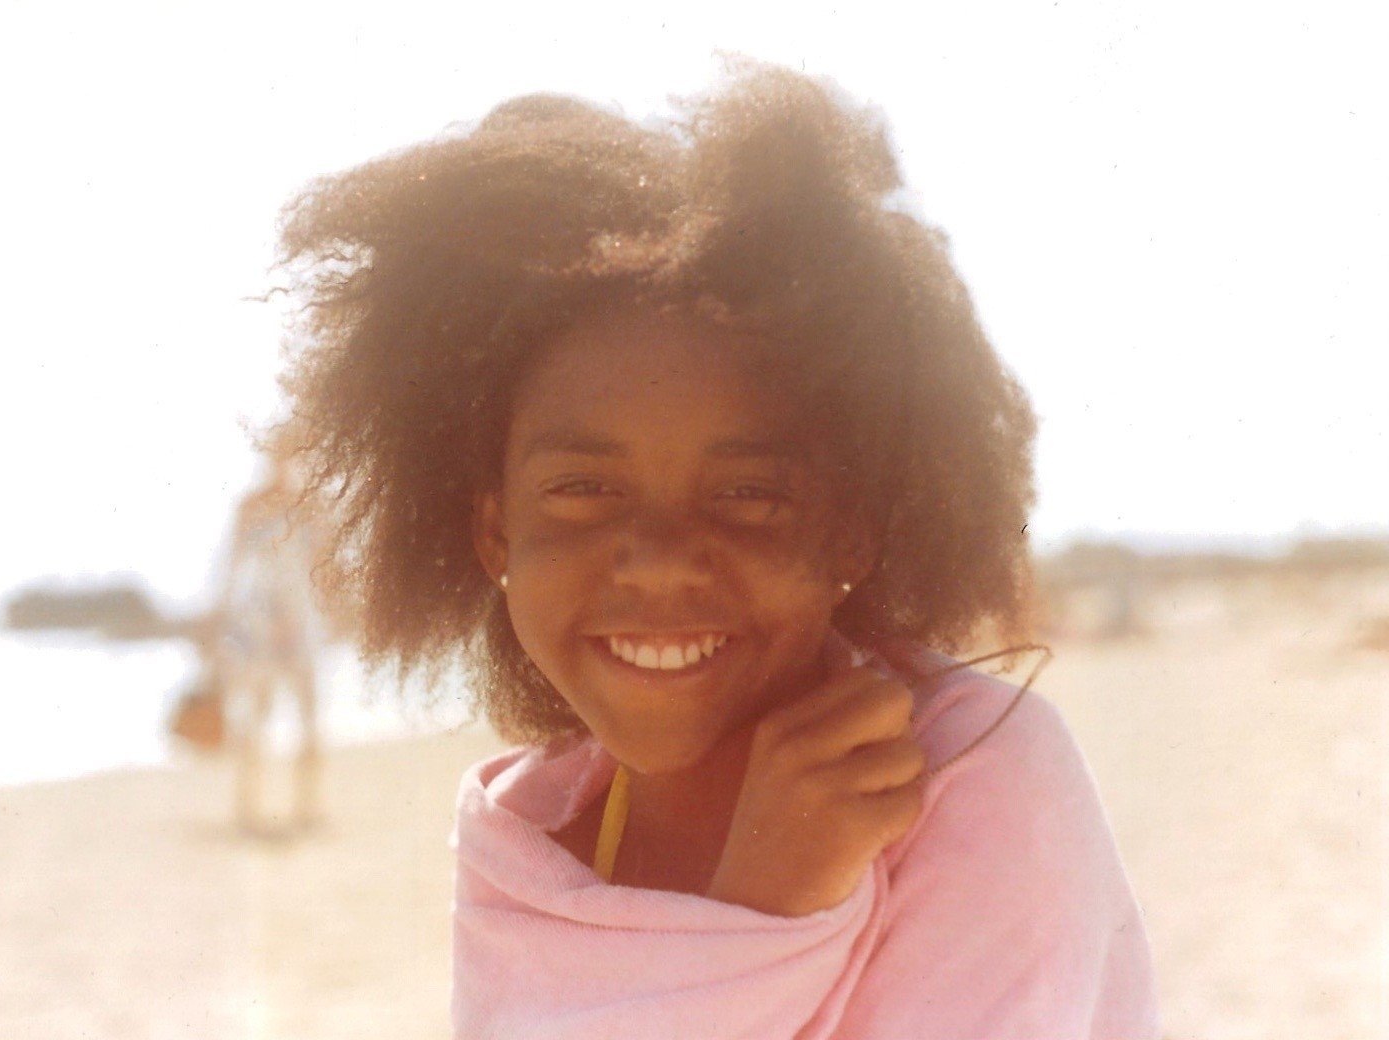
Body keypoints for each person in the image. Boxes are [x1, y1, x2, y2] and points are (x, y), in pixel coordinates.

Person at [273, 60, 1161, 1038]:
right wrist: (758, 900)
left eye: (747, 494)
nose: (655, 559)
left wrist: (766, 912)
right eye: (582, 489)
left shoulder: (971, 777)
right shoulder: (529, 839)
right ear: (494, 531)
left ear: (852, 525)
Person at [213, 448, 325, 835]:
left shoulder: (310, 506)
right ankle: (247, 806)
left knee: (308, 716)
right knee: (256, 716)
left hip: (300, 620)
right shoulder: (250, 507)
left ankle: (306, 807)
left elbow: (322, 565)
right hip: (259, 622)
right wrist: (221, 621)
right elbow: (231, 566)